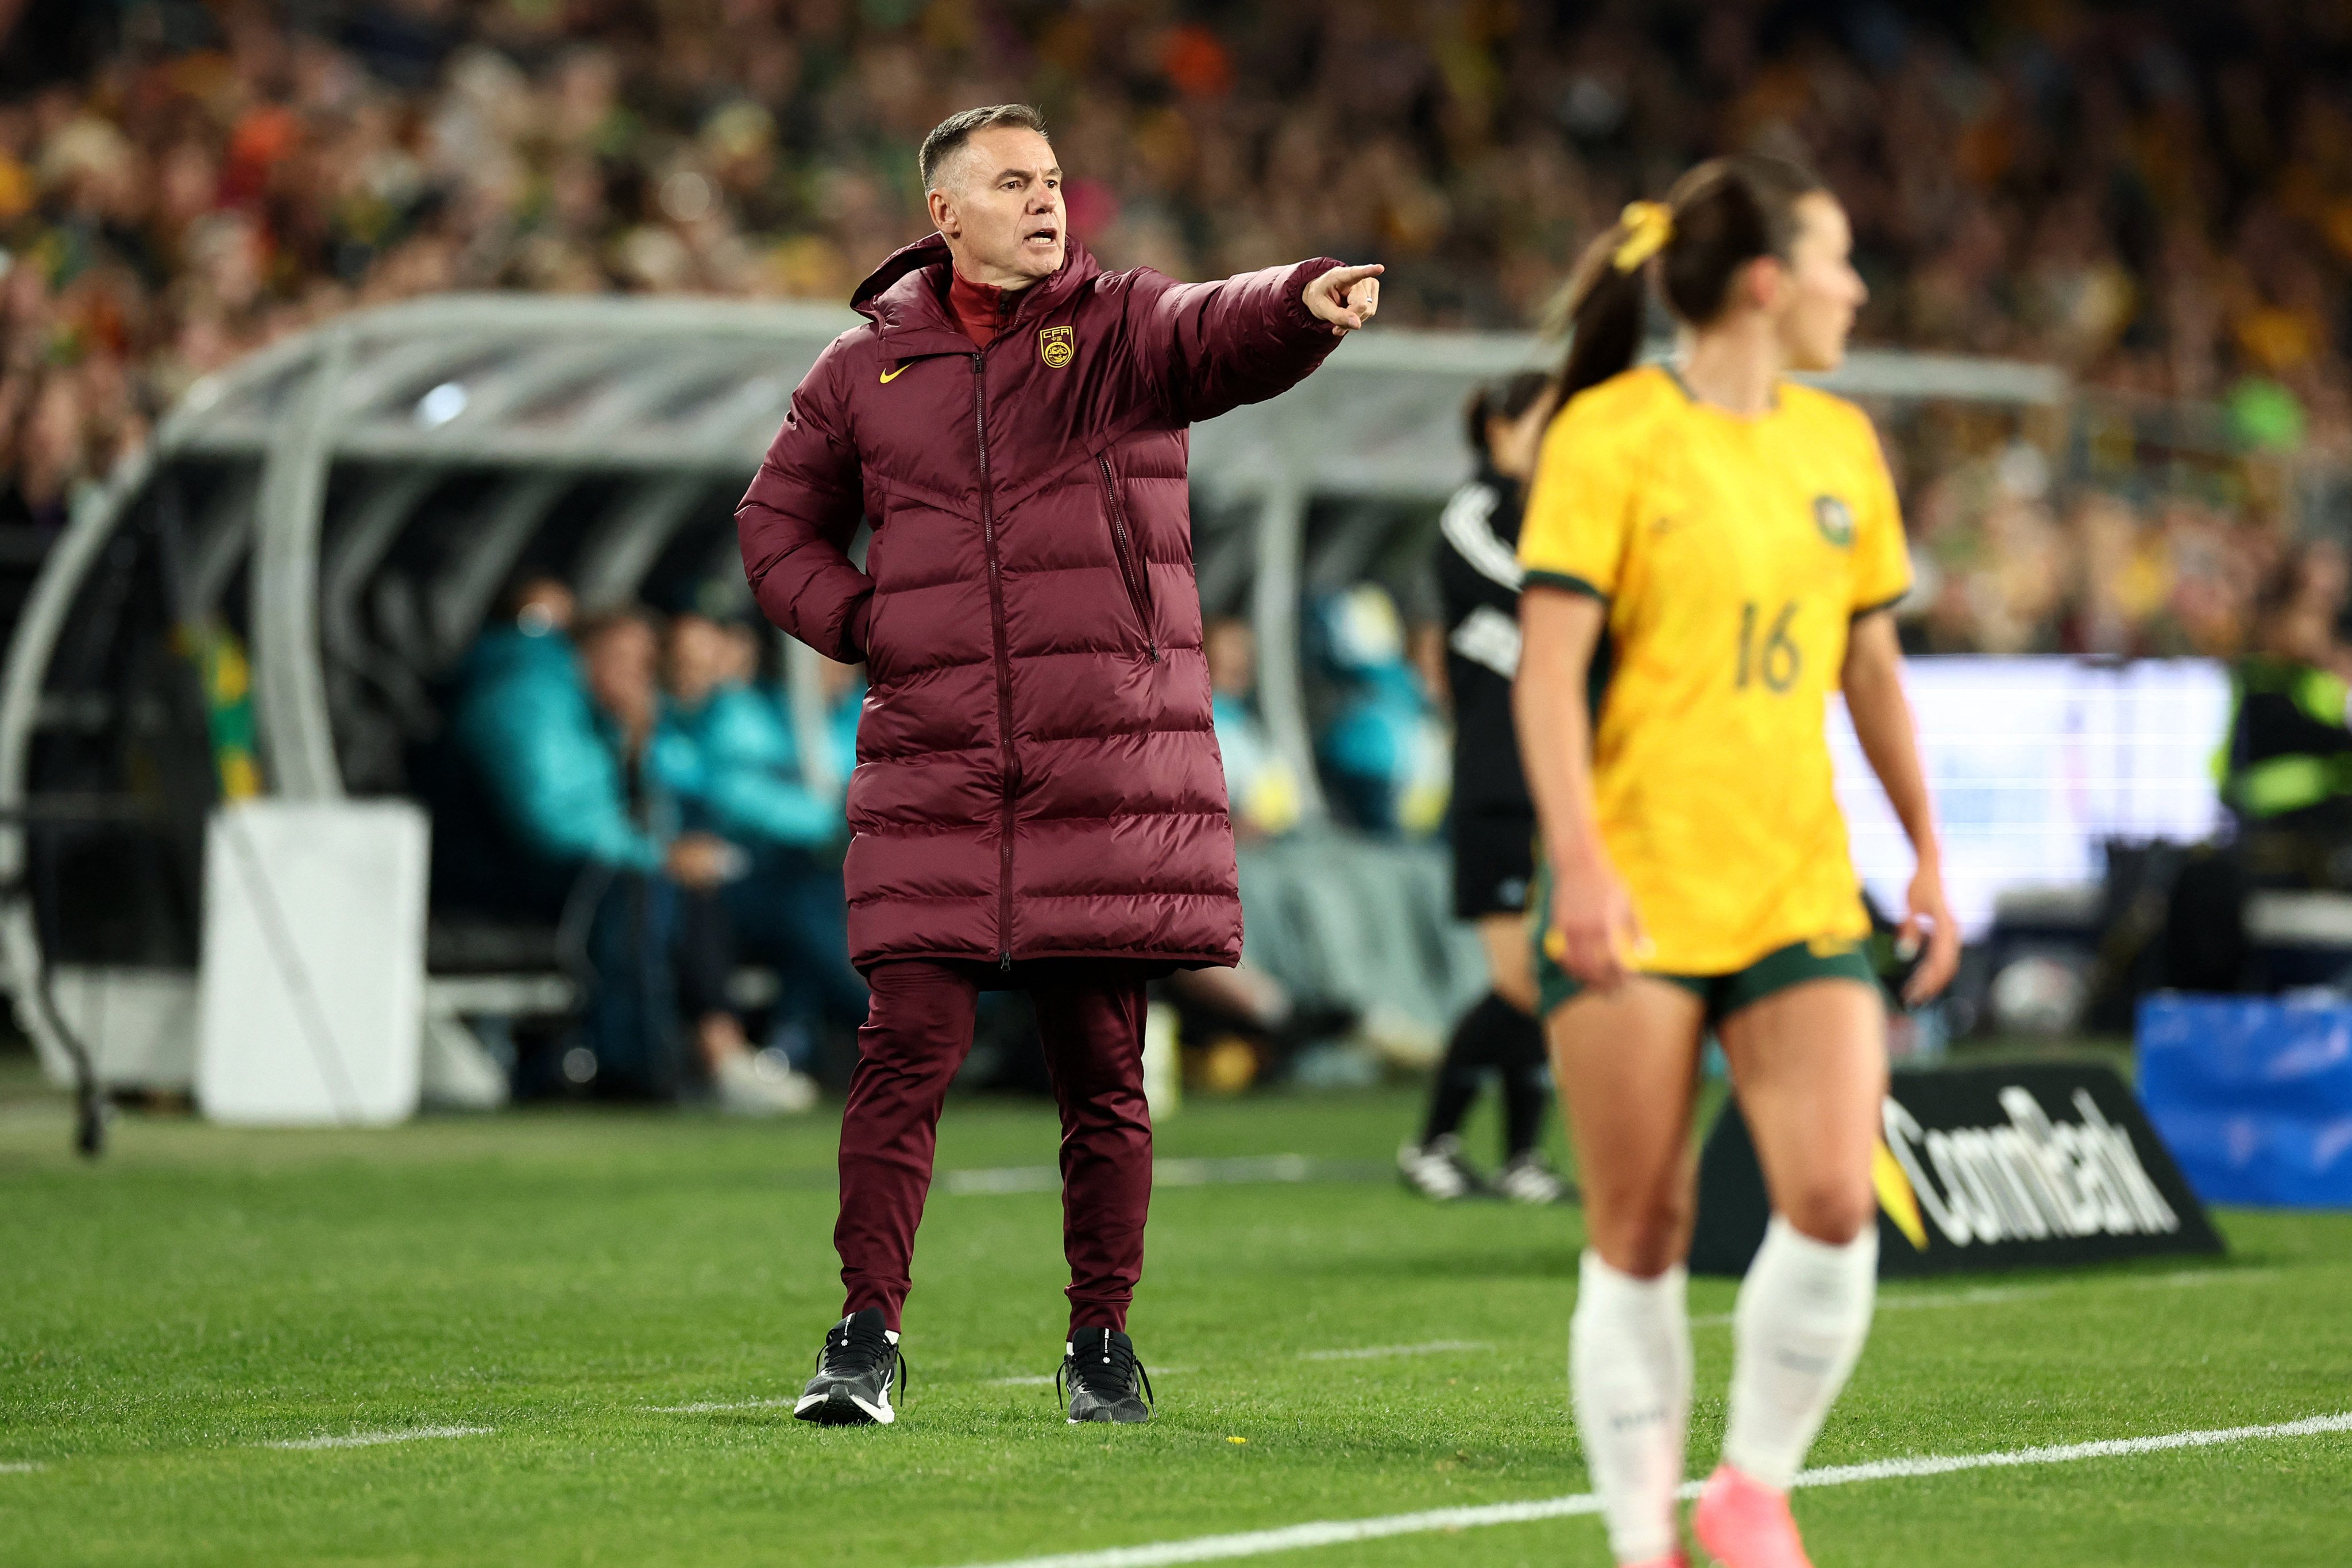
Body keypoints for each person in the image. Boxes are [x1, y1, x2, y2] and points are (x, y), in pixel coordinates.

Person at [737, 103, 1381, 1427]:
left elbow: (1221, 325)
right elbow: (773, 524)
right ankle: (863, 1336)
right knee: (900, 1056)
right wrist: (864, 622)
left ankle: (1101, 1342)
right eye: (1015, 183)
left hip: (1102, 770)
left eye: (1053, 181)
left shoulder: (1122, 329)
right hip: (937, 762)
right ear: (945, 214)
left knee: (1103, 1073)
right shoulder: (863, 371)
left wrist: (1303, 299)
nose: (1047, 202)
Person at [1512, 158, 1959, 1568]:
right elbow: (1546, 673)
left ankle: (1752, 1489)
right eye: (1839, 259)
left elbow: (1871, 668)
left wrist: (1930, 854)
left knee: (1833, 1201)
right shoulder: (1613, 435)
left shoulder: (1843, 445)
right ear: (1768, 283)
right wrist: (1579, 866)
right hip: (1636, 885)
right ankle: (1645, 1546)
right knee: (1641, 1228)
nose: (1857, 289)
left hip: (1797, 887)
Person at [443, 590, 811, 1113]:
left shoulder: (602, 713)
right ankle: (646, 1065)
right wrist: (655, 853)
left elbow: (644, 810)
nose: (644, 676)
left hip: (570, 866)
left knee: (685, 878)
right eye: (633, 661)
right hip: (496, 872)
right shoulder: (527, 699)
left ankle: (713, 1049)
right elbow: (549, 820)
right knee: (649, 882)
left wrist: (637, 754)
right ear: (588, 654)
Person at [1399, 370, 1573, 1206]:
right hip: (1495, 785)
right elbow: (1537, 596)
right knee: (1523, 984)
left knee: (1549, 971)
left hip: (1553, 783)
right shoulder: (1471, 517)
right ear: (1500, 429)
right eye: (1546, 419)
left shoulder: (1559, 520)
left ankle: (1521, 1158)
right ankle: (1430, 1142)